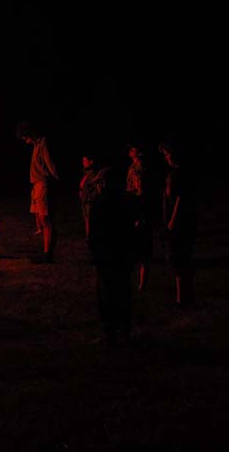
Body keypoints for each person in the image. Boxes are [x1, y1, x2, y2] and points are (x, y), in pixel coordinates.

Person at [86, 164, 135, 347]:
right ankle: (124, 330)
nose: (97, 186)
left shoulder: (100, 205)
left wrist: (95, 253)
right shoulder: (127, 202)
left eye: (99, 183)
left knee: (107, 295)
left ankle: (110, 332)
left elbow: (95, 234)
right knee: (123, 292)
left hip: (107, 257)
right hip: (123, 255)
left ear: (105, 183)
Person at [159, 140, 197, 307]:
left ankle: (182, 299)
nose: (166, 158)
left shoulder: (179, 175)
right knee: (181, 259)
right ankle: (185, 296)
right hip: (182, 223)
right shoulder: (177, 174)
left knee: (179, 259)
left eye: (167, 155)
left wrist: (173, 220)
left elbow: (180, 198)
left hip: (180, 224)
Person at [17, 121, 59, 263]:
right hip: (36, 184)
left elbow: (49, 163)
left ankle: (48, 254)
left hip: (42, 183)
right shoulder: (36, 145)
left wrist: (56, 179)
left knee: (46, 219)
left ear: (30, 133)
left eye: (25, 137)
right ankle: (45, 252)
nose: (25, 140)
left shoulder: (43, 143)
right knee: (40, 219)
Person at [125, 143, 154, 292]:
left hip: (139, 210)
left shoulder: (139, 168)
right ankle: (136, 282)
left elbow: (141, 192)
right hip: (133, 207)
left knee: (143, 250)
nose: (130, 151)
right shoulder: (133, 166)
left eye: (132, 148)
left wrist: (139, 215)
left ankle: (142, 285)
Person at [79, 152, 105, 239]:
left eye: (85, 161)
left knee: (90, 219)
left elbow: (96, 187)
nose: (83, 162)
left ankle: (91, 236)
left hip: (89, 200)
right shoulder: (85, 172)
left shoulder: (93, 173)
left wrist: (90, 197)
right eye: (83, 161)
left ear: (91, 162)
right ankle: (88, 236)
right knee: (87, 219)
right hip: (85, 199)